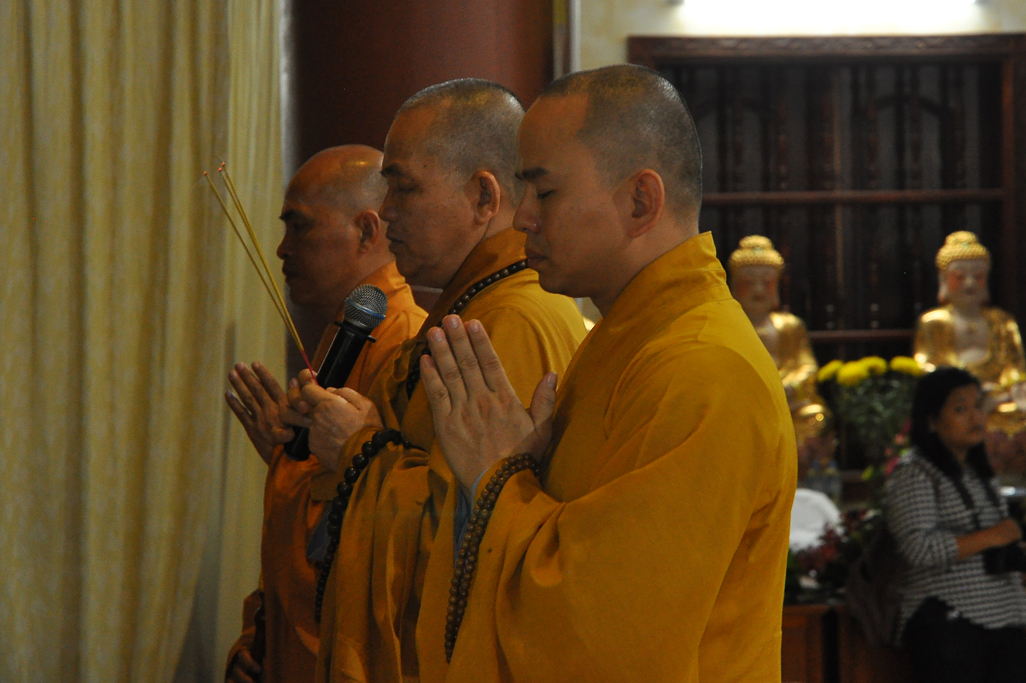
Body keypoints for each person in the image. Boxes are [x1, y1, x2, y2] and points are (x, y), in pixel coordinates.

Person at [416, 64, 796, 682]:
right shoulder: (628, 338)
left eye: (544, 192)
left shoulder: (703, 368)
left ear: (640, 201)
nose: (522, 218)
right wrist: (519, 471)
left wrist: (496, 478)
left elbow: (605, 635)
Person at [297, 81, 587, 683]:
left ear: (483, 196)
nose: (386, 210)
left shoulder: (509, 321)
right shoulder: (476, 306)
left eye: (403, 186)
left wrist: (358, 450)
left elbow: (472, 542)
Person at [224, 145, 427, 683]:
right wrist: (258, 638)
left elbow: (377, 540)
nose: (281, 248)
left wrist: (288, 468)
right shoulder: (350, 333)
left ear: (367, 230)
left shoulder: (403, 341)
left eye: (300, 226)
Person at [885, 366, 1026, 683]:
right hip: (949, 619)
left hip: (1004, 616)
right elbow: (918, 549)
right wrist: (991, 536)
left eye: (979, 406)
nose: (975, 417)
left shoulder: (977, 471)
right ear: (932, 421)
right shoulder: (916, 473)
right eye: (961, 409)